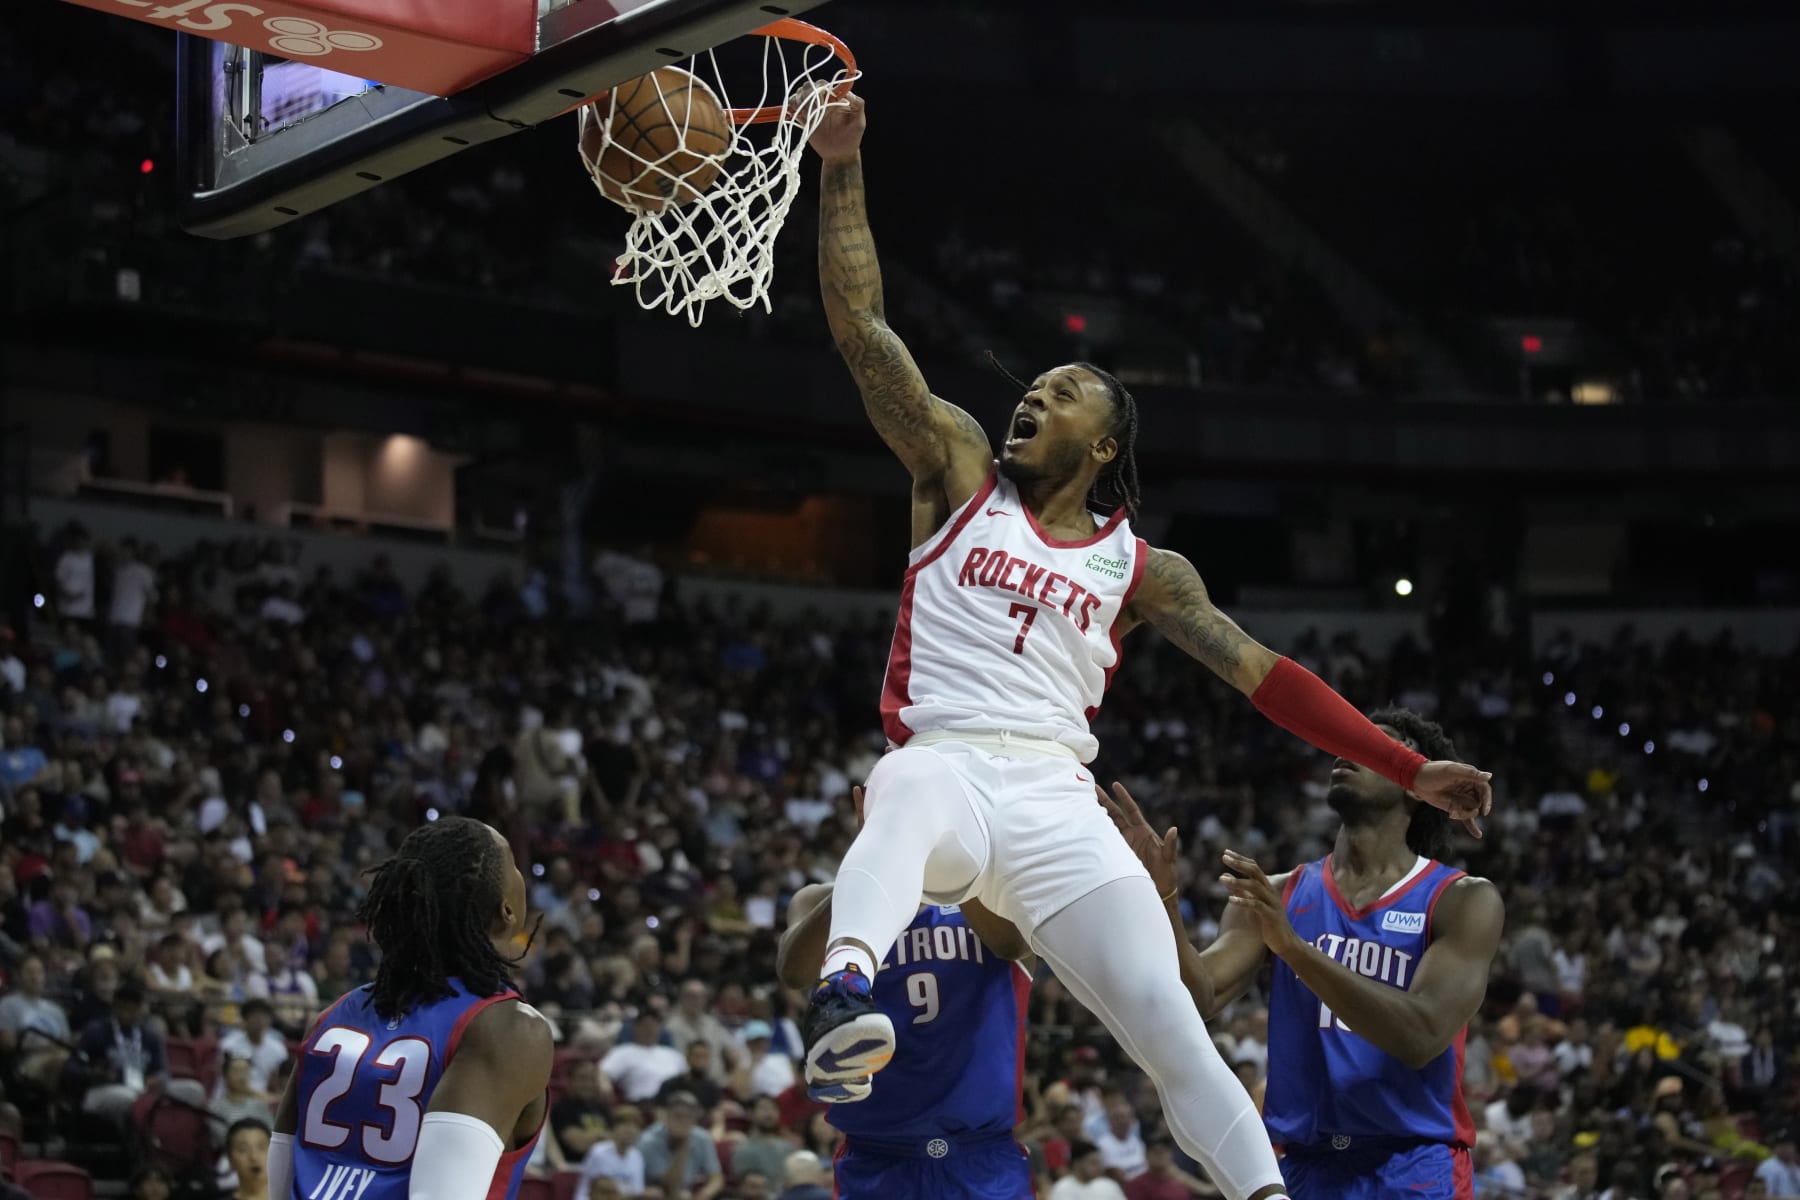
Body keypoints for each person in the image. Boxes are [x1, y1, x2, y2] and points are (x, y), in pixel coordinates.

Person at [799, 94, 1491, 1200]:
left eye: (1063, 391)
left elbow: (1268, 679)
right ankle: (845, 991)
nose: (1036, 393)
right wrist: (842, 167)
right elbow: (863, 331)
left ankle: (1263, 1193)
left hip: (1056, 799)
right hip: (949, 763)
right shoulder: (958, 470)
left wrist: (1408, 767)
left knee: (1175, 1028)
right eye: (1035, 386)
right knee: (908, 786)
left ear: (1105, 442)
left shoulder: (1142, 568)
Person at [1105, 709, 1504, 1200]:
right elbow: (1199, 995)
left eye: (1376, 746)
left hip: (1414, 1166)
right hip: (1306, 1168)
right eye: (1349, 742)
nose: (1349, 752)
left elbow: (1421, 1035)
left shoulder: (1462, 899)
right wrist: (1162, 899)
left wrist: (1293, 949)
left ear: (1417, 785)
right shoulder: (1278, 894)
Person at [270, 817, 552, 1200]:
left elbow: (279, 1182)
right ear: (507, 911)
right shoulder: (508, 1029)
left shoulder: (332, 1015)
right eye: (514, 865)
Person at [777, 814, 1035, 1200]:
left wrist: (943, 864)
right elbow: (794, 971)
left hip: (984, 1160)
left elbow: (1012, 945)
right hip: (875, 1161)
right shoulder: (817, 899)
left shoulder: (1001, 895)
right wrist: (868, 871)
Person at [636, 1092, 723, 1200]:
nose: (683, 1122)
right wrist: (684, 1145)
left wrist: (704, 1194)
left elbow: (716, 1178)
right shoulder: (649, 1141)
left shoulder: (702, 1138)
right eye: (678, 1116)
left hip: (689, 1193)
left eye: (689, 1117)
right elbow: (668, 1186)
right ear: (666, 1116)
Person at [601, 1011, 687, 1103]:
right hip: (641, 1103)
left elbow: (687, 1078)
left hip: (674, 1103)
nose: (650, 1030)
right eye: (646, 1026)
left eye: (654, 1026)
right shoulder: (623, 1052)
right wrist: (605, 1088)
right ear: (636, 1027)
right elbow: (603, 1073)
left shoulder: (673, 1055)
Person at [576, 1105, 646, 1200]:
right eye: (625, 1125)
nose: (630, 1130)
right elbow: (600, 1193)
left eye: (635, 1126)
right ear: (614, 1128)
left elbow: (638, 1192)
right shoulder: (599, 1152)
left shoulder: (637, 1157)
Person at [729, 1095, 799, 1188]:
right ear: (750, 1113)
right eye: (763, 1108)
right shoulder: (742, 1149)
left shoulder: (788, 1147)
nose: (769, 1114)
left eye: (773, 1109)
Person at [1053, 1143, 1128, 1200]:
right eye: (1093, 1163)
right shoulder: (1063, 1188)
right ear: (1077, 1164)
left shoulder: (1109, 1184)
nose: (1099, 1167)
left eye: (1099, 1163)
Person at [224, 1118, 272, 1200]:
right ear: (230, 1159)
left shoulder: (290, 1196)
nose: (254, 1157)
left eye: (261, 1147)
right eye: (243, 1149)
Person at [1754, 1131, 1800, 1198]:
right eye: (1782, 1146)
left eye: (1789, 1145)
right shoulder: (1768, 1167)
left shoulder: (1795, 1168)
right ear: (1775, 1148)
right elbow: (1763, 1197)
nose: (1786, 1149)